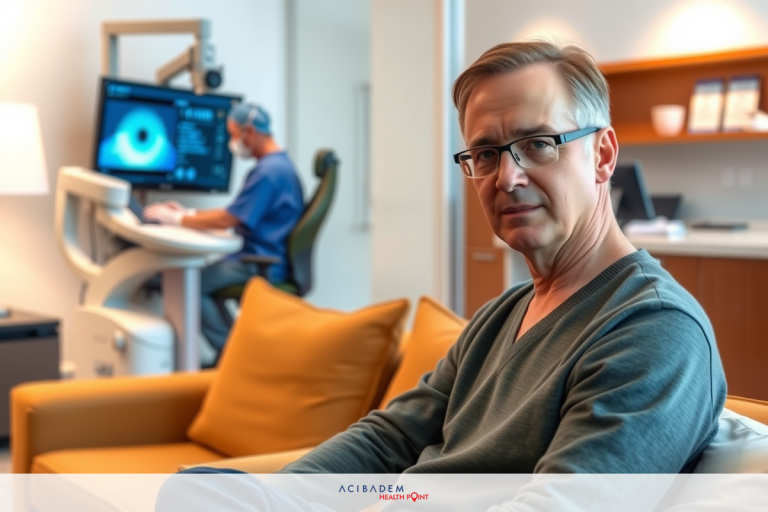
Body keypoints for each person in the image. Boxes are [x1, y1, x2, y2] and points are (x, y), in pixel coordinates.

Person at [159, 39, 727, 512]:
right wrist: (274, 497)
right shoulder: (502, 314)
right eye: (486, 154)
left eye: (538, 144)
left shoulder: (655, 330)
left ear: (602, 155)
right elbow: (392, 438)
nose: (507, 178)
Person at [144, 103, 304, 353]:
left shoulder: (269, 172)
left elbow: (228, 219)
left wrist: (176, 220)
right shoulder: (279, 166)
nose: (232, 142)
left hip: (257, 262)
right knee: (197, 280)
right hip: (261, 256)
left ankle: (233, 354)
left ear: (250, 132)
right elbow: (234, 212)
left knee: (188, 285)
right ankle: (235, 351)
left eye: (233, 135)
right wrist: (187, 213)